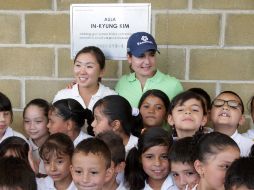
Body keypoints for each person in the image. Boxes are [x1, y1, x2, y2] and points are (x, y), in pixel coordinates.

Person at [115, 32, 183, 108]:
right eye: (141, 56)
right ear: (129, 58)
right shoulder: (122, 83)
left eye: (152, 55)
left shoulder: (173, 85)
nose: (147, 62)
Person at [53, 46, 117, 111]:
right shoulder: (62, 96)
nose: (82, 72)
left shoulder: (111, 97)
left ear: (101, 71)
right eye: (78, 65)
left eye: (89, 66)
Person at [210, 90, 254, 156]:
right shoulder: (199, 141)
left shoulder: (250, 147)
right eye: (218, 103)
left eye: (233, 105)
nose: (225, 107)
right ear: (209, 115)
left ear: (241, 119)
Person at [23, 98, 50, 174]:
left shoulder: (59, 146)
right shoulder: (22, 146)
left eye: (38, 121)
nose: (32, 127)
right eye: (27, 121)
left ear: (49, 121)